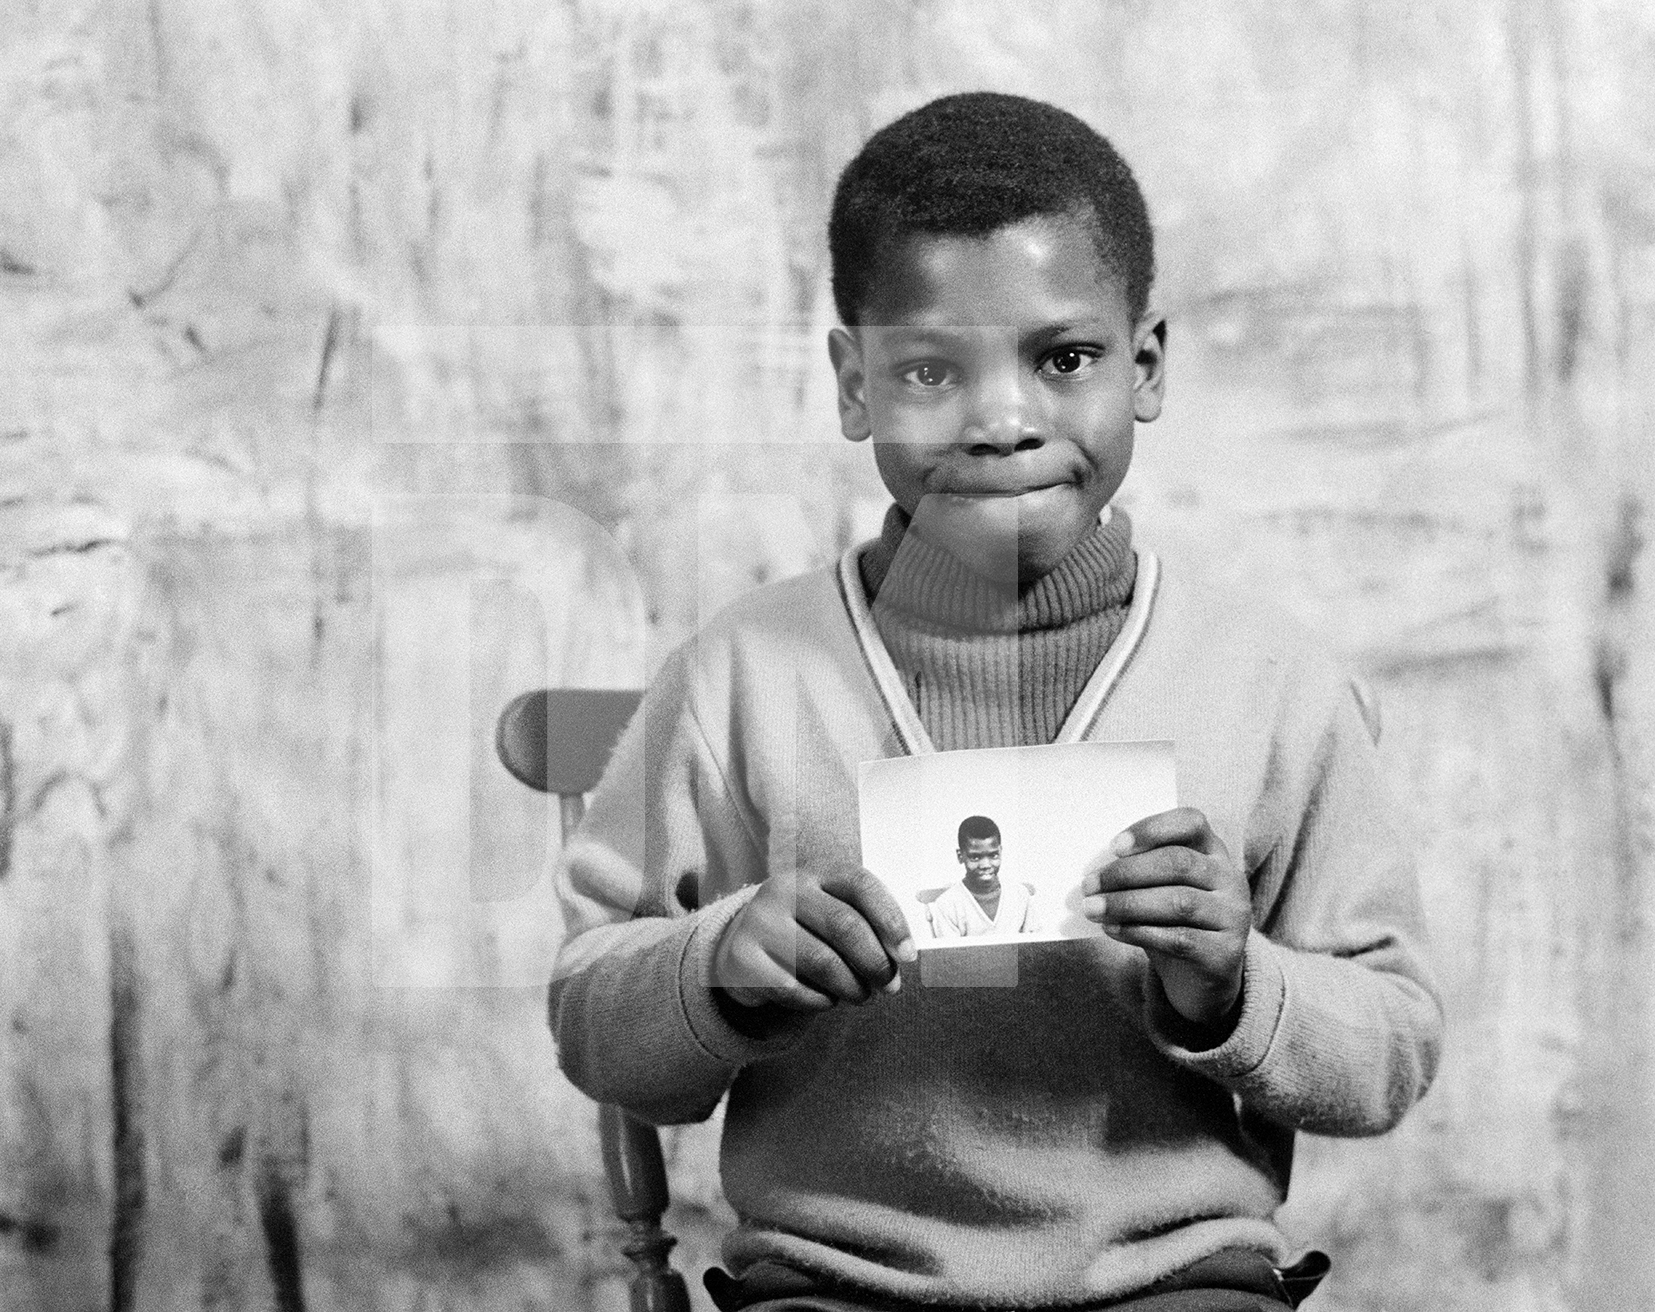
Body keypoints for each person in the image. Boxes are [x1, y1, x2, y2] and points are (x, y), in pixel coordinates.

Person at [548, 92, 1441, 1311]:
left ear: (1147, 365)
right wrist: (714, 969)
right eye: (928, 369)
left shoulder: (1271, 682)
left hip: (1174, 1277)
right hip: (834, 1277)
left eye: (1062, 358)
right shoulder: (742, 675)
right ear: (854, 384)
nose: (1004, 419)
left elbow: (1387, 1049)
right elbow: (596, 1026)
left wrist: (1233, 981)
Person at [927, 815, 1030, 938]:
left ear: (1000, 852)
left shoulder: (1020, 895)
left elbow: (1035, 947)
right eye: (975, 857)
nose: (986, 865)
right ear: (960, 856)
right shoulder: (947, 905)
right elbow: (950, 956)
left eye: (993, 855)